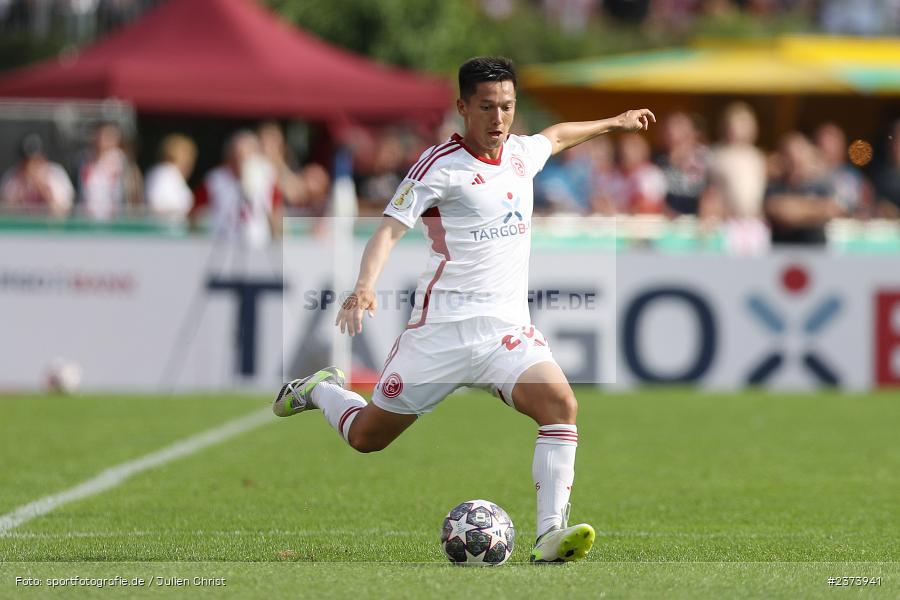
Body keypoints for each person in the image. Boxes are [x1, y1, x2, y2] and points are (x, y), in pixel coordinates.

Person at [272, 57, 655, 564]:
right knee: (367, 438)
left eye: (508, 107)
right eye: (488, 107)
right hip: (441, 334)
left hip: (505, 332)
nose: (499, 119)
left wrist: (614, 122)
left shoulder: (521, 154)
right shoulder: (439, 167)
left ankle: (548, 536)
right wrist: (365, 286)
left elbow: (557, 136)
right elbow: (389, 228)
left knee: (561, 406)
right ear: (462, 108)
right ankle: (320, 389)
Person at [192, 130, 281, 247]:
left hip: (257, 245)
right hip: (221, 244)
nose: (241, 160)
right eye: (237, 155)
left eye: (246, 156)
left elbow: (275, 213)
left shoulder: (267, 179)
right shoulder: (214, 180)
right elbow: (194, 213)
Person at [764, 132, 842, 245]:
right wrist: (815, 209)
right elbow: (776, 210)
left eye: (799, 153)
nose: (795, 160)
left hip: (816, 252)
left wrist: (794, 209)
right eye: (789, 155)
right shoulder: (774, 186)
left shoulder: (822, 184)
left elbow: (831, 210)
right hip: (782, 253)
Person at [0, 133, 74, 217]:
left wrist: (41, 186)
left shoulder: (56, 174)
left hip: (50, 228)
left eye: (35, 160)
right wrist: (20, 190)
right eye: (26, 161)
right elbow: (5, 214)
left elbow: (63, 212)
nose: (30, 165)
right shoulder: (10, 177)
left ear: (43, 157)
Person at [144, 133, 197, 222]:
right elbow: (156, 204)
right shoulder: (164, 173)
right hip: (162, 231)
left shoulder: (173, 174)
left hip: (173, 230)